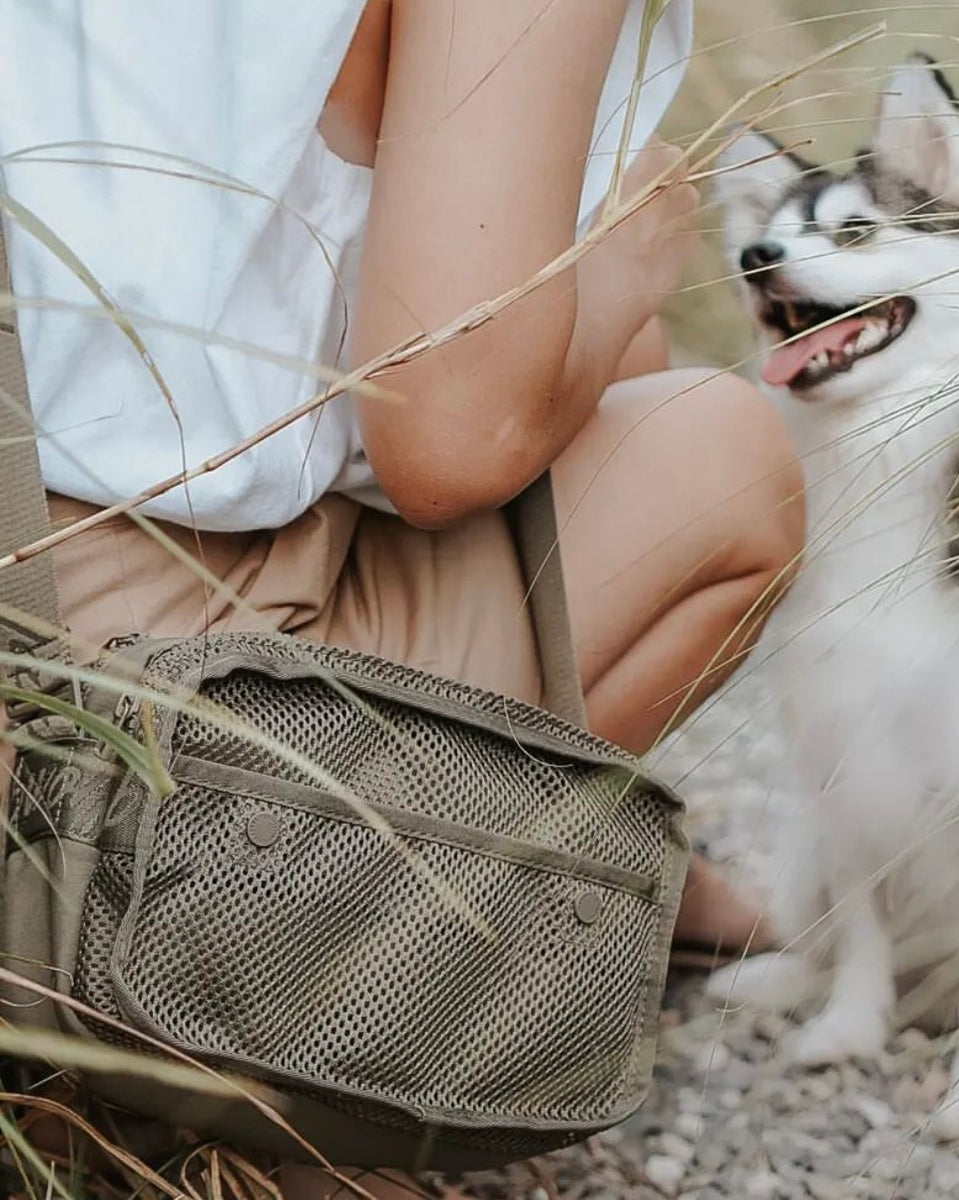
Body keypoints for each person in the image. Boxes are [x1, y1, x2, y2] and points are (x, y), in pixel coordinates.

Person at [1, 1, 805, 1195]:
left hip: (33, 519)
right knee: (721, 464)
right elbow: (454, 437)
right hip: (89, 668)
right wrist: (625, 267)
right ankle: (229, 1103)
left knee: (597, 351)